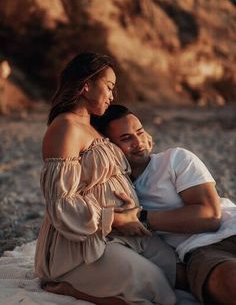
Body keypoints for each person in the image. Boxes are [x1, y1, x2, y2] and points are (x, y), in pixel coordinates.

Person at [35, 53, 178, 305]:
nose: (112, 96)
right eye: (109, 87)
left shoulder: (92, 124)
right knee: (152, 284)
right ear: (86, 84)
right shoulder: (65, 127)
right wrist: (117, 219)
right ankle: (70, 287)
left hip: (117, 230)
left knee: (174, 267)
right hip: (80, 242)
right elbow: (60, 204)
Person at [92, 104, 236, 305]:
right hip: (202, 250)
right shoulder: (115, 190)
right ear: (108, 148)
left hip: (232, 226)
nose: (138, 142)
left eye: (140, 132)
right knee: (230, 283)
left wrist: (139, 217)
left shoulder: (176, 159)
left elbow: (210, 217)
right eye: (126, 138)